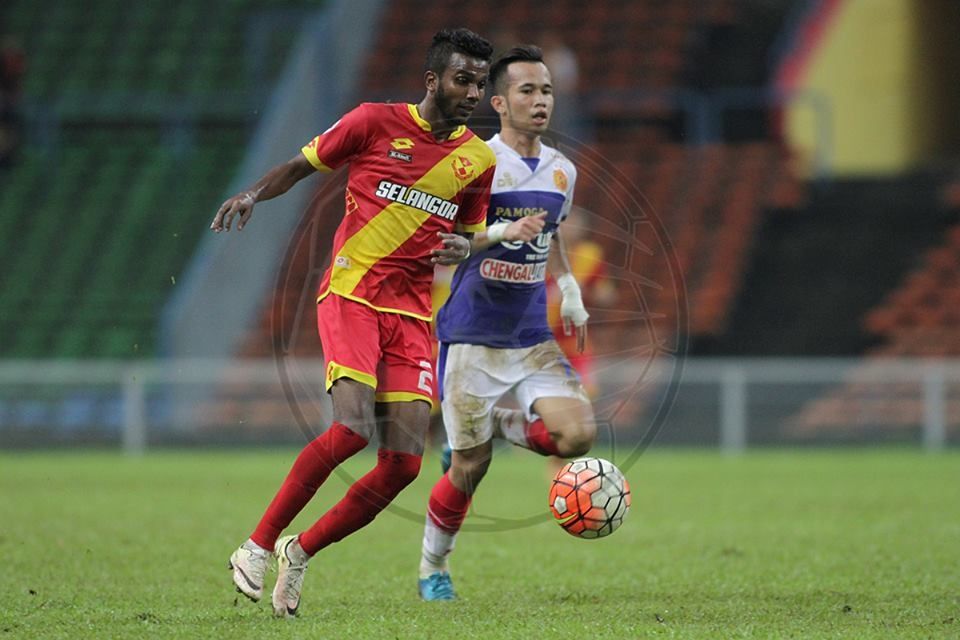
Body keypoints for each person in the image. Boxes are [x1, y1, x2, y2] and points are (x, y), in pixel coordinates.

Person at [212, 28, 538, 619]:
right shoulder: (371, 122)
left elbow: (465, 234)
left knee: (404, 466)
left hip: (412, 310)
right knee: (352, 430)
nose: (472, 93)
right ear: (432, 80)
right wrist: (252, 195)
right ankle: (256, 545)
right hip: (353, 290)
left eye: (479, 83)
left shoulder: (477, 159)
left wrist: (463, 249)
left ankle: (300, 551)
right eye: (462, 79)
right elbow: (299, 166)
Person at [417, 45, 596, 601]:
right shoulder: (474, 163)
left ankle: (499, 424)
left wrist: (567, 289)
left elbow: (554, 233)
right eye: (527, 91)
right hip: (472, 332)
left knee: (577, 435)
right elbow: (440, 245)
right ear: (498, 101)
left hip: (531, 333)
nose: (540, 100)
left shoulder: (563, 170)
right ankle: (433, 569)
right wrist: (497, 234)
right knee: (468, 468)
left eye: (546, 91)